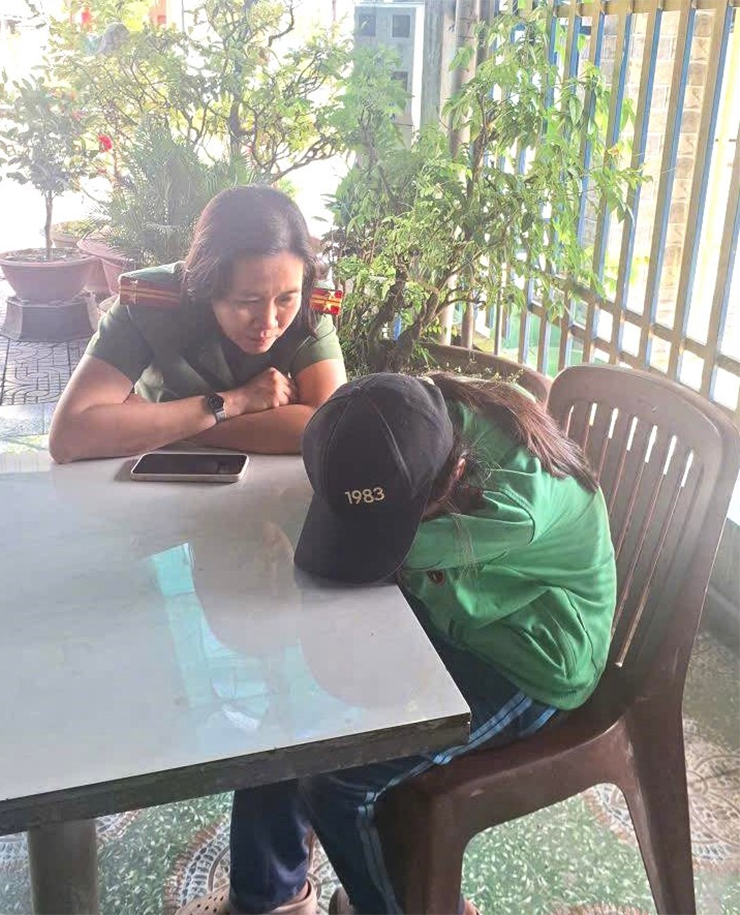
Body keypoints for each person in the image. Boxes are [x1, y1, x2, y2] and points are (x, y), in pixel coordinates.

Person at [177, 372, 617, 915]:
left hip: (529, 662)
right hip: (451, 615)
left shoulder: (503, 511)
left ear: (452, 477)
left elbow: (371, 556)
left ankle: (396, 905)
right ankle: (270, 898)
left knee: (339, 776)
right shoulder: (413, 420)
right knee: (287, 722)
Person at [48, 185, 346, 463]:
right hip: (155, 479)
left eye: (285, 300)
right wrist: (236, 401)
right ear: (207, 282)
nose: (269, 321)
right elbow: (69, 435)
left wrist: (169, 426)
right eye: (248, 301)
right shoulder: (150, 302)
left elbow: (332, 427)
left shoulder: (309, 305)